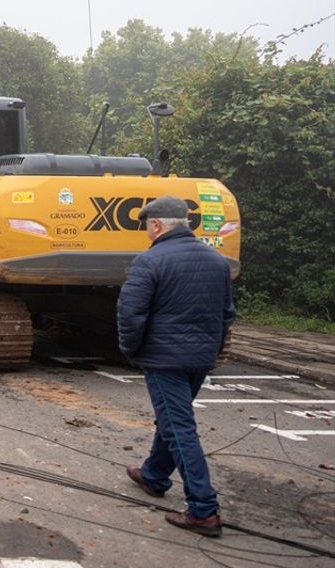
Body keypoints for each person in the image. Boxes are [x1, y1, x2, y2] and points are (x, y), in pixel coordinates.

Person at [117, 195, 234, 538]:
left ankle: (203, 509)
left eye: (146, 227)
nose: (146, 233)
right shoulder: (217, 261)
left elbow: (130, 314)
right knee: (173, 419)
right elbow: (227, 314)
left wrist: (131, 350)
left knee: (179, 428)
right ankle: (154, 474)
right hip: (200, 359)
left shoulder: (149, 261)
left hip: (164, 359)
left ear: (156, 225)